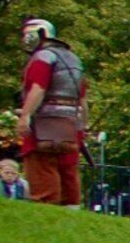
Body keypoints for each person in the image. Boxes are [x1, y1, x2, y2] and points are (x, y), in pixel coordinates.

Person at [14, 18, 86, 206]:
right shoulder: (73, 59)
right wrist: (82, 126)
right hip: (70, 123)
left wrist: (25, 115)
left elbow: (38, 88)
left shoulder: (43, 57)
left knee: (41, 165)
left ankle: (46, 206)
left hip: (44, 122)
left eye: (29, 34)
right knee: (68, 168)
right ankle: (71, 209)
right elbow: (82, 99)